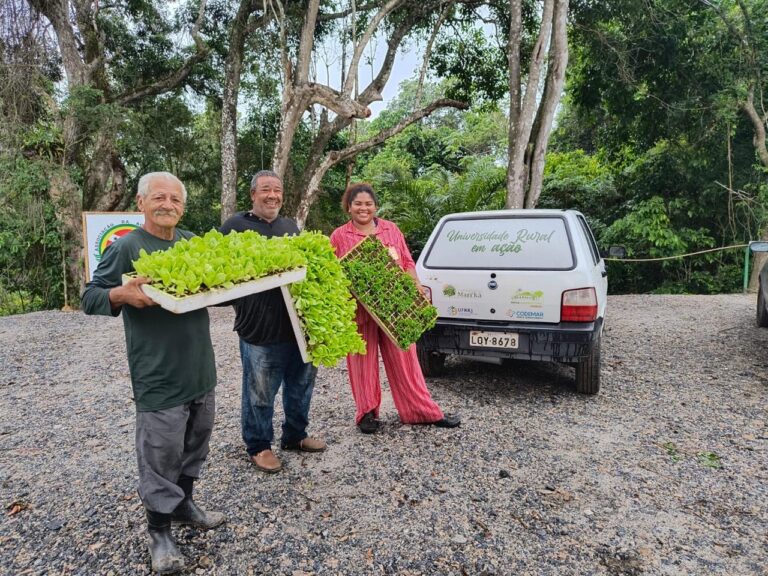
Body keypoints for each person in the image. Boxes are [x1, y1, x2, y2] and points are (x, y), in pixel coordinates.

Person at [81, 172, 225, 575]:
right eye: (158, 198)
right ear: (140, 202)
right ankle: (159, 530)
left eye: (175, 199)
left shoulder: (191, 242)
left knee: (196, 443)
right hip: (158, 374)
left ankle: (184, 505)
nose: (168, 205)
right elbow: (89, 295)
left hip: (200, 366)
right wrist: (120, 294)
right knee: (161, 452)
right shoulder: (127, 246)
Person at [329, 182, 461, 434]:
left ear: (376, 207)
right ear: (349, 207)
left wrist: (416, 289)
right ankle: (366, 414)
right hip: (359, 311)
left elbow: (407, 262)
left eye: (368, 204)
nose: (363, 208)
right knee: (361, 361)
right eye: (357, 204)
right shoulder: (339, 236)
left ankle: (421, 412)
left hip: (396, 309)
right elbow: (333, 273)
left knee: (405, 360)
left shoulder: (391, 230)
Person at [219, 170, 326, 473]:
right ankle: (258, 445)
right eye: (266, 189)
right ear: (252, 194)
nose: (272, 195)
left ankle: (295, 436)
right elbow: (221, 279)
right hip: (260, 328)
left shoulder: (289, 226)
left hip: (299, 327)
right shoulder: (234, 227)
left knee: (301, 385)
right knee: (260, 391)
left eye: (277, 190)